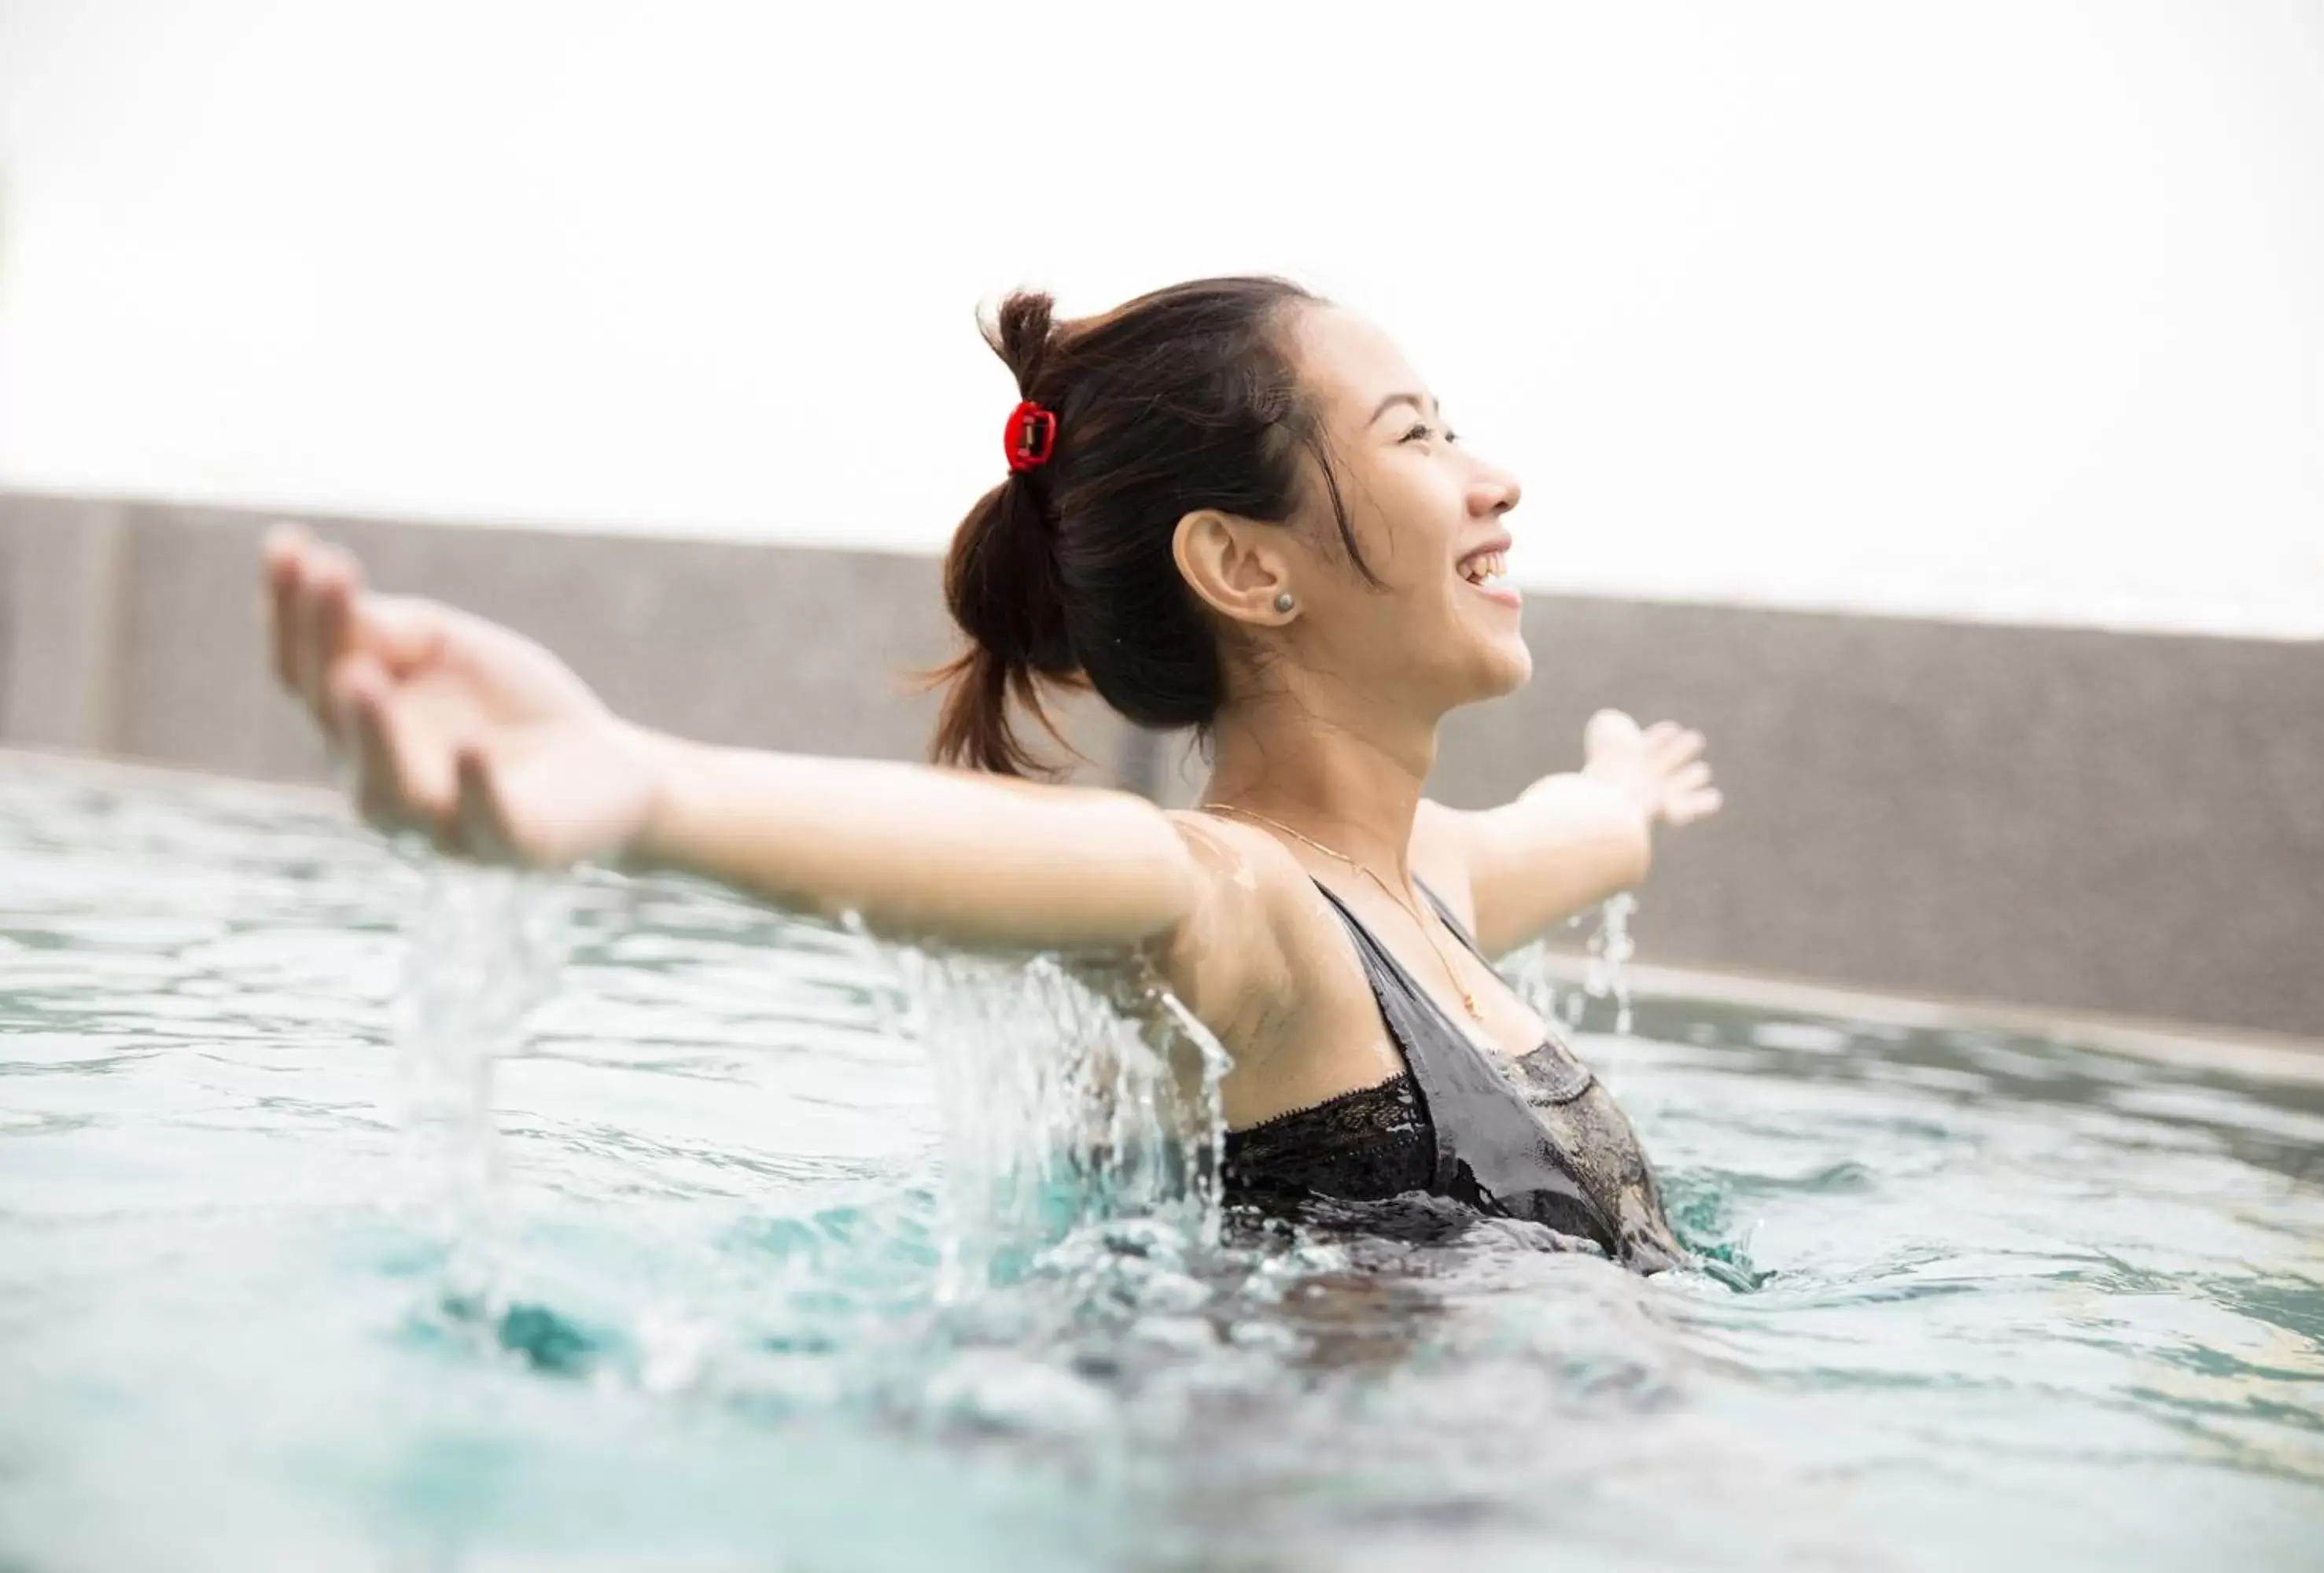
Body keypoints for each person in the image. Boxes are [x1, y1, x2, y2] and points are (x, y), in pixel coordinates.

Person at [263, 276, 1721, 1269]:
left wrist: (1625, 797)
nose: (1492, 478)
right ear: (1243, 565)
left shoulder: (1436, 882)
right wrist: (647, 789)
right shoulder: (1250, 905)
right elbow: (1071, 863)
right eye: (1417, 436)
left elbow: (1581, 829)